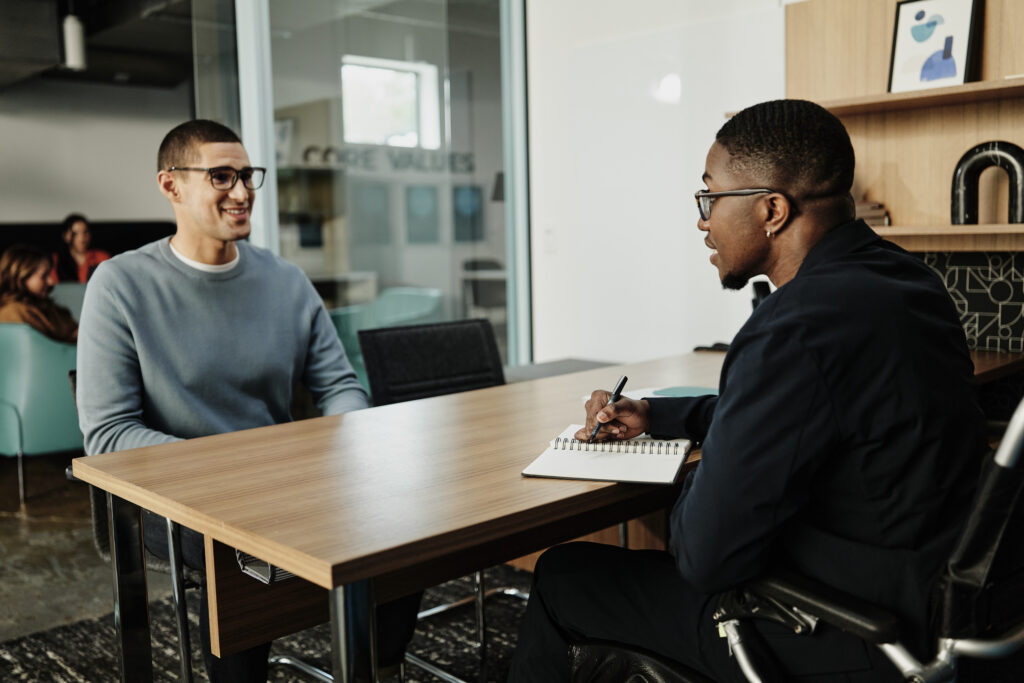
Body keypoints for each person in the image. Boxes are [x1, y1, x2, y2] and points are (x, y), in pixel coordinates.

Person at [508, 99, 988, 682]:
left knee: (564, 575)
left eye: (709, 197)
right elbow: (819, 412)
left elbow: (705, 556)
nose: (702, 219)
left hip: (837, 629)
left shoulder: (792, 327)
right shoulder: (908, 281)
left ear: (771, 209)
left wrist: (693, 478)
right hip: (939, 602)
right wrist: (658, 416)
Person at [76, 119, 418, 682]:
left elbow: (340, 387)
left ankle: (378, 666)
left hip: (287, 481)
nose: (242, 191)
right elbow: (110, 435)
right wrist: (238, 471)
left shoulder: (285, 280)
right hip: (177, 498)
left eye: (247, 175)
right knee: (236, 553)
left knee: (402, 523)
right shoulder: (119, 285)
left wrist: (350, 448)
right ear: (172, 186)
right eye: (221, 176)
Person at [0, 244, 78, 342]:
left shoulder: (45, 306)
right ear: (21, 277)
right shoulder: (13, 313)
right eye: (44, 276)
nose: (51, 282)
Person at [51, 213, 110, 283]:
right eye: (75, 233)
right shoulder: (55, 260)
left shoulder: (101, 257)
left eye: (85, 232)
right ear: (66, 236)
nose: (81, 238)